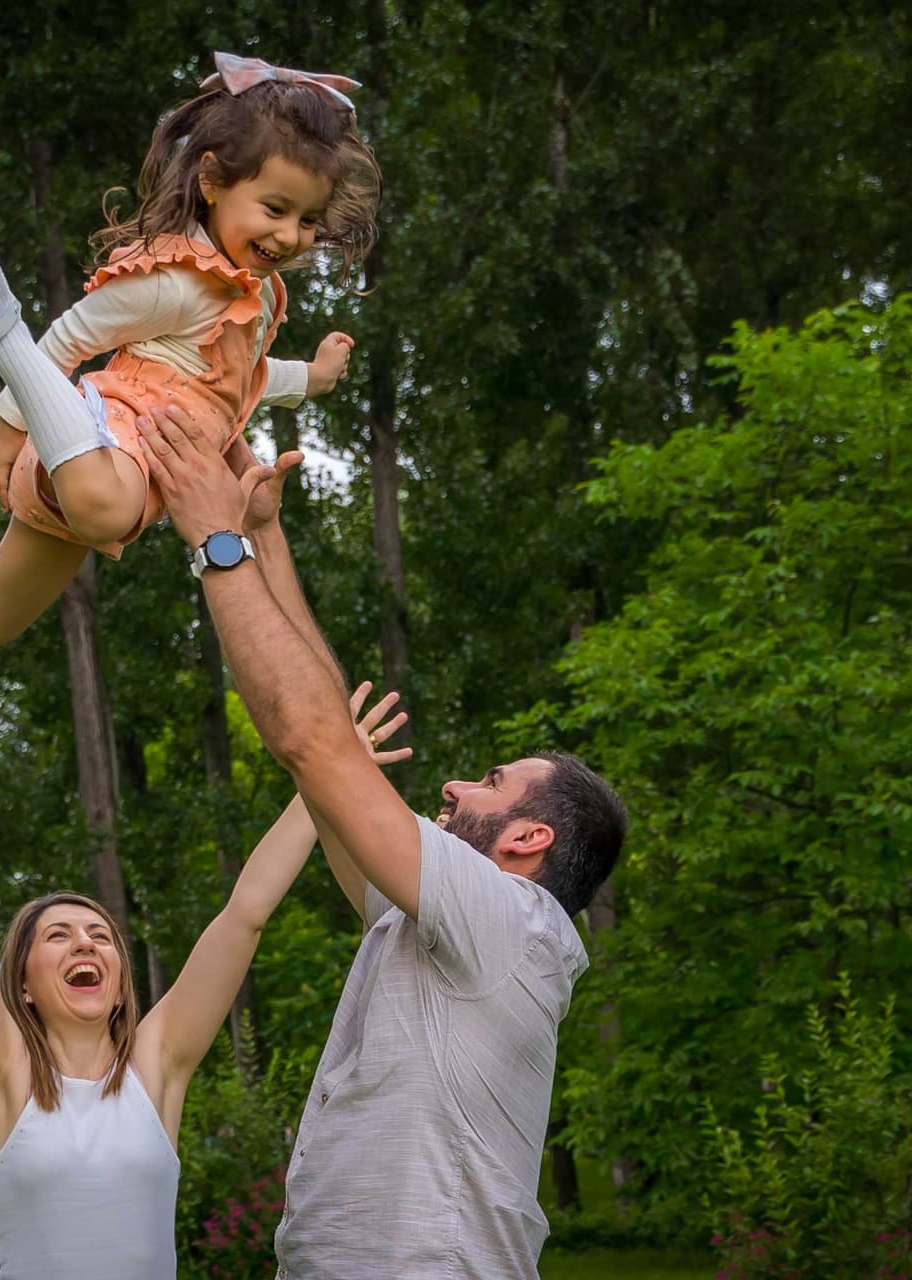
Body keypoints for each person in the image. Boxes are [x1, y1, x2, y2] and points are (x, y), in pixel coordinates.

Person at [137, 403, 630, 1278]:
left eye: (487, 783)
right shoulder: (430, 923)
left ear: (529, 836)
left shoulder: (511, 924)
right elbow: (326, 762)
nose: (451, 785)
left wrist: (215, 544)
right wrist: (263, 539)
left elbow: (312, 741)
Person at [0, 52, 381, 704]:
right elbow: (69, 339)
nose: (289, 234)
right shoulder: (180, 283)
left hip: (82, 459)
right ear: (213, 182)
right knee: (104, 510)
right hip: (107, 446)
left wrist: (310, 377)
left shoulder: (252, 294)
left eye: (306, 220)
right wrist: (8, 428)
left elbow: (239, 375)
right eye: (275, 208)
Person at [0, 640, 410, 1279]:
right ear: (24, 984)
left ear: (121, 986)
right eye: (58, 936)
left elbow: (245, 914)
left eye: (99, 935)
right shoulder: (1, 1072)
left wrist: (328, 774)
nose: (86, 944)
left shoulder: (157, 1068)